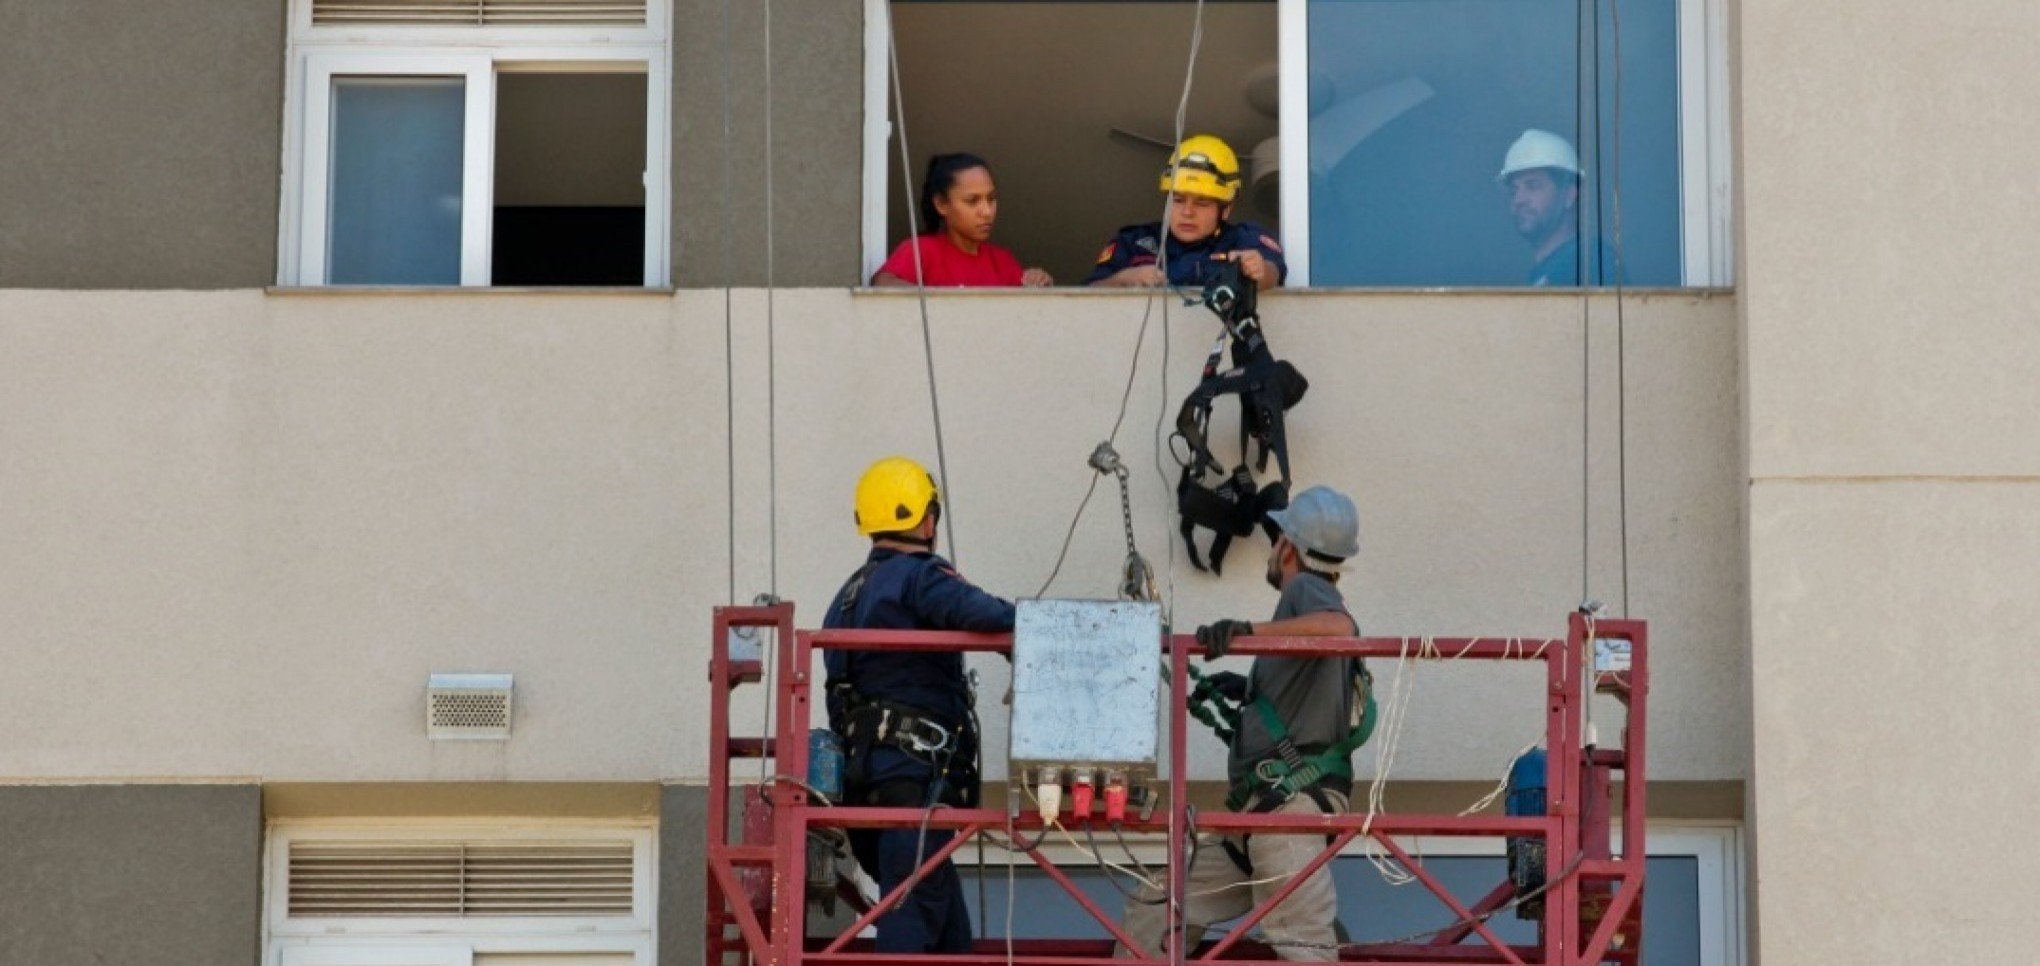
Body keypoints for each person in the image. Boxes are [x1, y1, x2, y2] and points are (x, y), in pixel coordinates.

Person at [1118, 485, 1368, 962]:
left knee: (1301, 944)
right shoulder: (1303, 610)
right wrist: (1251, 689)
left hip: (1286, 812)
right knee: (1159, 903)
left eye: (1276, 542)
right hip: (1260, 813)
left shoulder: (1306, 590)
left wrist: (1248, 633)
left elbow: (1341, 629)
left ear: (1288, 546)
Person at [823, 456, 1017, 954]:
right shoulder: (919, 577)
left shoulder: (845, 598)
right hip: (913, 786)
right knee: (911, 915)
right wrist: (1051, 627)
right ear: (926, 519)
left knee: (948, 938)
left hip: (865, 790)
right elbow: (988, 614)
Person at [1086, 134, 1286, 290]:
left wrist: (1259, 270)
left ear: (1226, 209)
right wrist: (1124, 279)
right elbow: (1086, 298)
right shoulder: (1133, 241)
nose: (1187, 212)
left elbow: (1273, 273)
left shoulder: (1243, 237)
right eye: (1179, 200)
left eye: (1202, 203)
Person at [874, 153, 1053, 287]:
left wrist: (1040, 282)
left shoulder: (1002, 261)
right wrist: (937, 300)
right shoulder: (921, 250)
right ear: (942, 204)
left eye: (991, 199)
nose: (987, 211)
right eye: (972, 201)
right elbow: (883, 283)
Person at [1497, 129, 1620, 286]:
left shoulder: (1591, 261)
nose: (1518, 200)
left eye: (1533, 186)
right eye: (1514, 191)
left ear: (1569, 195)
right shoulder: (1542, 274)